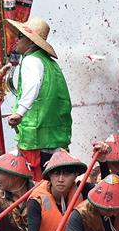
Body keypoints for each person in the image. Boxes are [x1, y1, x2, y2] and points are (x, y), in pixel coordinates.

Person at [6, 17, 72, 179]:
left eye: (20, 36)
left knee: (37, 187)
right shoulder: (51, 64)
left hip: (36, 140)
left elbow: (33, 85)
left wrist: (19, 112)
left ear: (31, 41)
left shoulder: (31, 60)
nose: (16, 40)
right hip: (57, 139)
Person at [25, 149, 91, 231]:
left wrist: (103, 162)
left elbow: (106, 192)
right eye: (56, 174)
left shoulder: (81, 189)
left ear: (75, 175)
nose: (60, 179)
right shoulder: (37, 200)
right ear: (49, 176)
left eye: (66, 174)